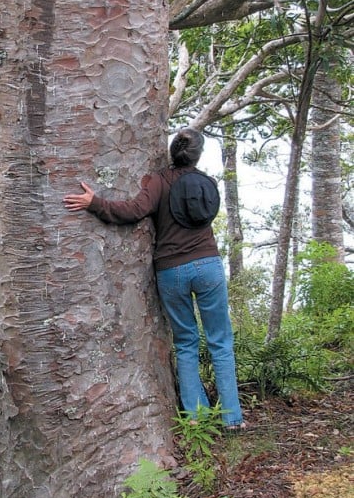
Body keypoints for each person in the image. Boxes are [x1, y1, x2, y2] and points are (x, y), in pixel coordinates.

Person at [63, 128, 245, 430]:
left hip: (171, 270)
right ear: (197, 155)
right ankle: (232, 419)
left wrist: (95, 202)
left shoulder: (159, 182)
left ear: (171, 152)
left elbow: (134, 210)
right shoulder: (208, 183)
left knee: (186, 343)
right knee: (220, 342)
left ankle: (198, 420)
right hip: (209, 265)